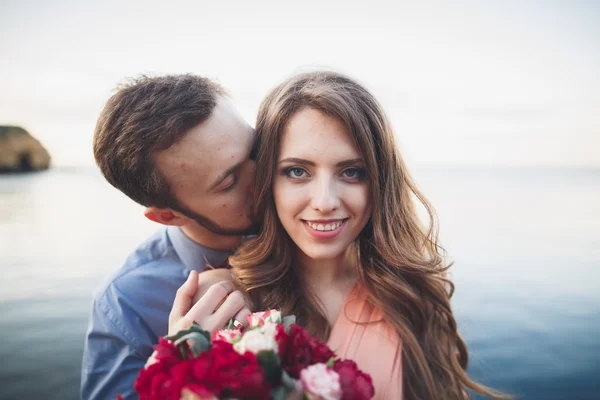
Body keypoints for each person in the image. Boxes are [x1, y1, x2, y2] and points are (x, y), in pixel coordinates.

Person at [217, 71, 505, 399]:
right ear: (268, 180)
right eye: (297, 171)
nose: (325, 202)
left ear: (380, 183)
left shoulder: (408, 295)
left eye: (352, 172)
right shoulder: (230, 303)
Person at [82, 75, 257, 400]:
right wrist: (176, 372)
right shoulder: (125, 303)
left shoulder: (313, 229)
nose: (263, 175)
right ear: (168, 216)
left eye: (256, 148)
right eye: (229, 181)